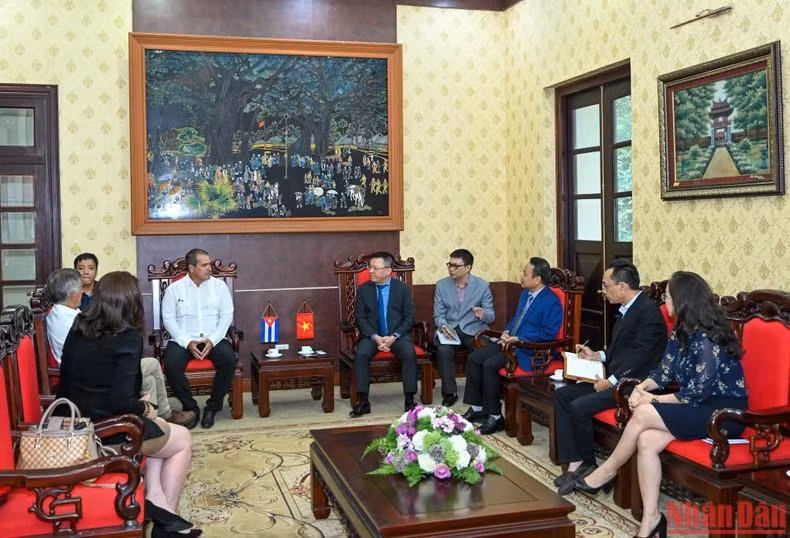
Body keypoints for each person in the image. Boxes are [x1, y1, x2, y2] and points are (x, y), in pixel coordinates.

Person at [570, 271, 747, 538]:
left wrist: (651, 399)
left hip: (722, 413)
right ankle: (651, 521)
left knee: (642, 412)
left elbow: (697, 393)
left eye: (667, 297)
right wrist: (642, 387)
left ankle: (607, 471)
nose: (664, 303)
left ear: (683, 300)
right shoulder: (681, 331)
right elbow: (664, 372)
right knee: (647, 441)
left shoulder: (708, 339)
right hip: (696, 405)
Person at [57, 272, 200, 537]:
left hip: (74, 421)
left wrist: (140, 406)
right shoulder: (127, 337)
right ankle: (167, 520)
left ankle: (160, 508)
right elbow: (120, 401)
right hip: (106, 432)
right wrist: (144, 407)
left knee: (156, 429)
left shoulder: (79, 324)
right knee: (181, 440)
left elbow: (74, 378)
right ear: (132, 303)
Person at [554, 259, 667, 494]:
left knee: (578, 406)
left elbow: (641, 359)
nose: (603, 291)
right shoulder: (628, 309)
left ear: (623, 287)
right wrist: (598, 355)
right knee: (562, 395)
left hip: (633, 387)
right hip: (614, 378)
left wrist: (612, 381)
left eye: (606, 286)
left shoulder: (648, 315)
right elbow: (623, 349)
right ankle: (576, 462)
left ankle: (588, 465)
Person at [44, 268, 197, 428]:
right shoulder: (77, 321)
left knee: (151, 367)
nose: (83, 293)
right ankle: (155, 416)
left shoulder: (66, 316)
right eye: (81, 289)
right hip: (93, 393)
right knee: (150, 368)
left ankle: (159, 416)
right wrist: (140, 404)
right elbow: (116, 393)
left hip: (81, 386)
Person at [461, 257, 562, 435]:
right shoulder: (525, 294)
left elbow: (548, 334)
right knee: (475, 358)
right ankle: (477, 409)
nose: (521, 277)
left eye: (525, 273)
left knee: (490, 364)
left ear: (537, 279)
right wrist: (506, 332)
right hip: (511, 343)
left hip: (530, 350)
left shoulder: (551, 301)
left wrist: (518, 338)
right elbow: (516, 318)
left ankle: (495, 416)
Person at [161, 248, 235, 429]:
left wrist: (214, 340)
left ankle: (213, 407)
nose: (209, 268)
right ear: (191, 268)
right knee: (171, 364)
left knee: (229, 360)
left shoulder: (220, 287)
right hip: (183, 339)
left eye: (209, 264)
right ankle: (191, 408)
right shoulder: (174, 290)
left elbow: (227, 316)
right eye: (204, 265)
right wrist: (187, 342)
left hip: (214, 337)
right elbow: (168, 319)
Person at [349, 251, 419, 417]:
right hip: (372, 335)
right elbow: (360, 318)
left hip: (397, 335)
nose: (370, 271)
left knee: (409, 353)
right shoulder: (364, 289)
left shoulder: (402, 289)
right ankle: (364, 401)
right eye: (369, 267)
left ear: (388, 271)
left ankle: (409, 400)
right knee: (361, 353)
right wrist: (376, 337)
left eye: (374, 267)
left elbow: (409, 317)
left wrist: (394, 336)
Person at [433, 248, 495, 407]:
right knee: (443, 349)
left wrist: (482, 314)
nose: (450, 269)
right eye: (449, 264)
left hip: (473, 330)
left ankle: (475, 394)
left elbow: (491, 316)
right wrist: (443, 326)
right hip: (450, 328)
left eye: (455, 266)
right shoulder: (442, 285)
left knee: (482, 349)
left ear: (467, 268)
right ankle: (449, 392)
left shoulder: (482, 286)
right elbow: (438, 315)